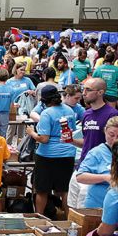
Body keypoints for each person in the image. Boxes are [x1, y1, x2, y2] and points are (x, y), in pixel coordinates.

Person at [28, 85, 79, 217]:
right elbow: (71, 132)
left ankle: (39, 218)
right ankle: (69, 219)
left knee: (42, 190)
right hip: (67, 153)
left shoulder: (47, 113)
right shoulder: (69, 111)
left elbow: (44, 139)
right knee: (64, 190)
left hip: (47, 155)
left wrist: (32, 133)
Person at [75, 116, 118, 210]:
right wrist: (105, 177)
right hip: (98, 204)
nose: (115, 139)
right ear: (105, 131)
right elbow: (80, 177)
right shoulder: (96, 152)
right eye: (111, 135)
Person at [78, 77, 118, 166]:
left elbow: (117, 144)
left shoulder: (112, 114)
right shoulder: (86, 114)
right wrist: (71, 140)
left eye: (88, 90)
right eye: (83, 89)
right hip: (85, 163)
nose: (84, 93)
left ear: (100, 92)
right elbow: (87, 142)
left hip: (103, 165)